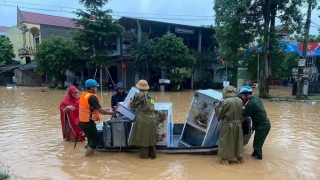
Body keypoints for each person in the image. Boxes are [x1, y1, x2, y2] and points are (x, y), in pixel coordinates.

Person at [79, 79, 115, 157]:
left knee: (90, 139)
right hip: (88, 123)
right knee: (93, 141)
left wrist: (105, 109)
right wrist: (111, 113)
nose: (97, 88)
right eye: (96, 87)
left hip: (83, 122)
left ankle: (89, 155)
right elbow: (101, 111)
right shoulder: (92, 97)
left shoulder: (84, 94)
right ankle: (87, 158)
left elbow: (91, 108)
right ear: (91, 87)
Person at [216, 86, 245, 165]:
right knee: (238, 140)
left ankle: (225, 159)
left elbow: (220, 115)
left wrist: (217, 107)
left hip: (228, 124)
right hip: (238, 124)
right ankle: (240, 158)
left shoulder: (226, 102)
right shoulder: (240, 100)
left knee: (225, 141)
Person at [239, 86, 271, 160]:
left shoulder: (250, 103)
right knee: (256, 144)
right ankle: (254, 157)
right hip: (263, 124)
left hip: (262, 126)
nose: (242, 97)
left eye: (242, 95)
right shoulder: (257, 99)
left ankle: (259, 162)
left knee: (257, 146)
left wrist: (235, 125)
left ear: (246, 95)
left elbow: (243, 117)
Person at [129, 79, 157, 159]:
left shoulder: (139, 95)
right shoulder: (151, 95)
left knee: (143, 140)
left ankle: (143, 158)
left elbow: (133, 105)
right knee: (151, 139)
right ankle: (153, 156)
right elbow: (151, 105)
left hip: (144, 119)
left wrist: (131, 100)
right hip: (153, 118)